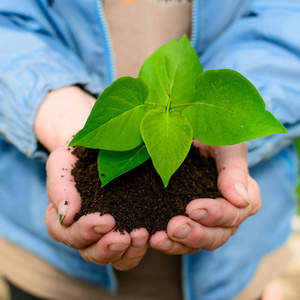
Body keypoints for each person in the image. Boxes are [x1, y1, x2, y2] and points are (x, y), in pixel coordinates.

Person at [0, 0, 299, 299]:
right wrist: (58, 110)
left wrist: (239, 133)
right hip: (46, 265)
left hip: (234, 270)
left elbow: (288, 20)